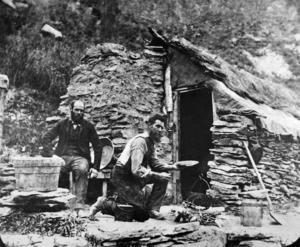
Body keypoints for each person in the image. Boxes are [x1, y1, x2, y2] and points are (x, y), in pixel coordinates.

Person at [89, 114, 183, 221]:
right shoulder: (140, 142)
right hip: (123, 178)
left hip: (135, 177)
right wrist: (158, 175)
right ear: (149, 126)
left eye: (162, 127)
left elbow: (155, 164)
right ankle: (103, 203)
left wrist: (173, 167)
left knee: (163, 178)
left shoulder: (150, 142)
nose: (160, 130)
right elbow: (136, 170)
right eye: (157, 126)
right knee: (134, 213)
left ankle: (152, 209)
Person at [41, 100, 101, 214]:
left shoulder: (89, 126)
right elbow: (46, 138)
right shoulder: (62, 124)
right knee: (54, 171)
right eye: (76, 110)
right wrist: (53, 155)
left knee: (82, 169)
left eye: (81, 111)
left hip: (80, 157)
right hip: (63, 157)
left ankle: (79, 207)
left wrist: (96, 168)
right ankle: (55, 205)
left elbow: (98, 147)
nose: (79, 113)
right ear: (71, 110)